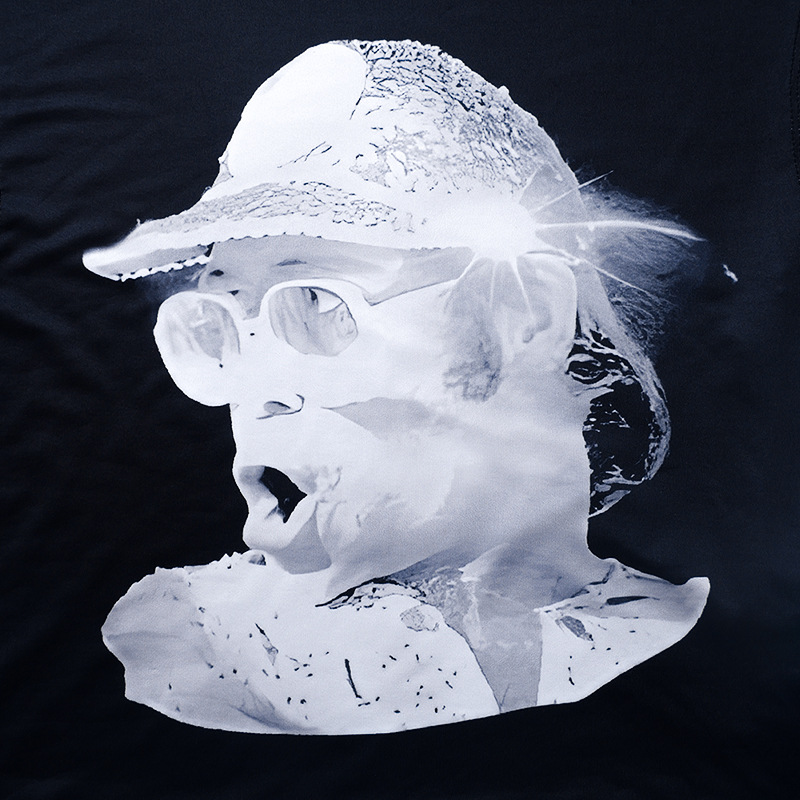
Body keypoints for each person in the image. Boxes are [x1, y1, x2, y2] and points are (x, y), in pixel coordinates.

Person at [84, 40, 709, 734]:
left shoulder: (698, 664)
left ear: (522, 314)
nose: (257, 391)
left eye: (316, 301)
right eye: (218, 321)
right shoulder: (188, 650)